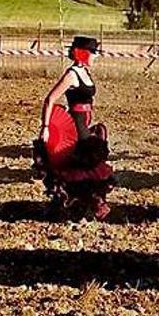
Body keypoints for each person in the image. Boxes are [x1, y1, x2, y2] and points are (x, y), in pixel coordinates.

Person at [33, 36, 115, 220]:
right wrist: (45, 126)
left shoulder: (85, 72)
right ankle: (88, 207)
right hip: (76, 124)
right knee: (84, 165)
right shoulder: (72, 75)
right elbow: (50, 99)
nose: (96, 56)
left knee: (86, 166)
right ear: (83, 53)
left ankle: (79, 207)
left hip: (85, 121)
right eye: (93, 52)